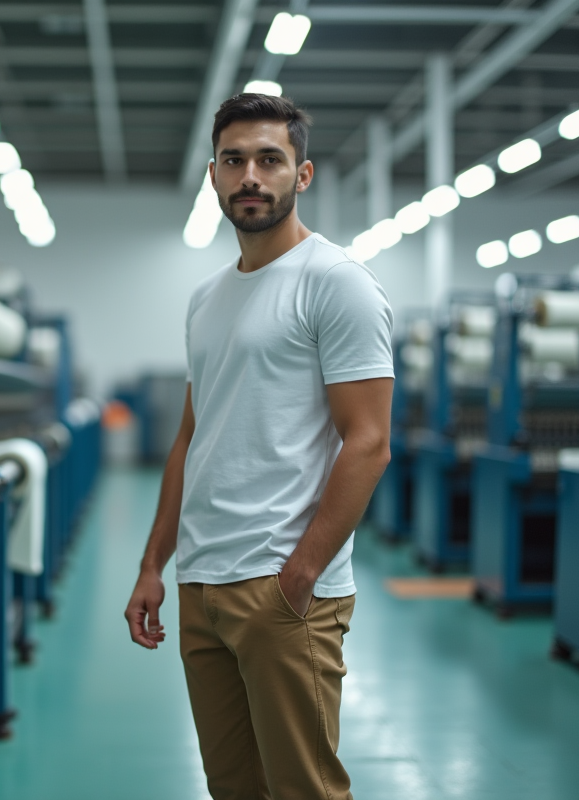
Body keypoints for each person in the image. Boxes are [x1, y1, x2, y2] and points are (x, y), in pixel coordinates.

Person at [124, 93, 394, 800]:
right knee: (233, 788)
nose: (251, 175)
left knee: (303, 790)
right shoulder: (206, 299)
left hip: (281, 587)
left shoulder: (336, 284)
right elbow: (191, 436)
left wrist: (299, 577)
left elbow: (368, 443)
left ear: (300, 176)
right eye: (234, 160)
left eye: (270, 159)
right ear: (213, 174)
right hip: (202, 584)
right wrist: (156, 564)